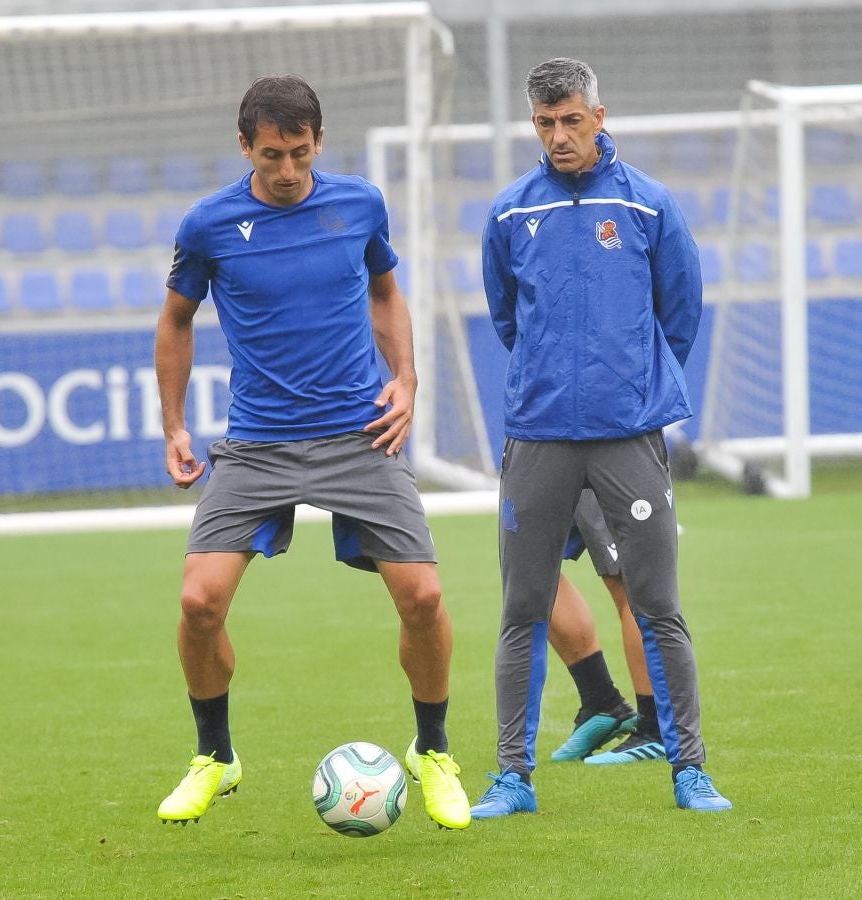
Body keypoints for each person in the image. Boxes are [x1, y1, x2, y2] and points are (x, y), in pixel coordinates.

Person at [153, 74, 470, 830]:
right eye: (272, 155)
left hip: (361, 434)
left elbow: (386, 292)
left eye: (300, 152)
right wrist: (173, 425)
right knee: (199, 602)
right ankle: (215, 756)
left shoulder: (359, 204)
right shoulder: (208, 225)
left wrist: (406, 378)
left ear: (319, 142)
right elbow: (175, 321)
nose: (288, 170)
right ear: (244, 147)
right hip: (258, 442)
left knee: (423, 599)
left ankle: (432, 751)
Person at [471, 57, 731, 818]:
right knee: (523, 607)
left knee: (658, 605)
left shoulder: (647, 203)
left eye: (571, 120)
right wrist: (554, 378)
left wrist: (632, 386)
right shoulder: (510, 212)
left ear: (599, 116)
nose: (559, 136)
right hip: (540, 435)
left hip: (628, 437)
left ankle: (690, 769)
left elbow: (680, 309)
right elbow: (507, 316)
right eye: (545, 123)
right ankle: (512, 778)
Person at [546, 490, 672, 765]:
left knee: (626, 579)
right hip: (538, 464)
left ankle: (654, 729)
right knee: (529, 569)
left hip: (598, 465)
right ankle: (601, 702)